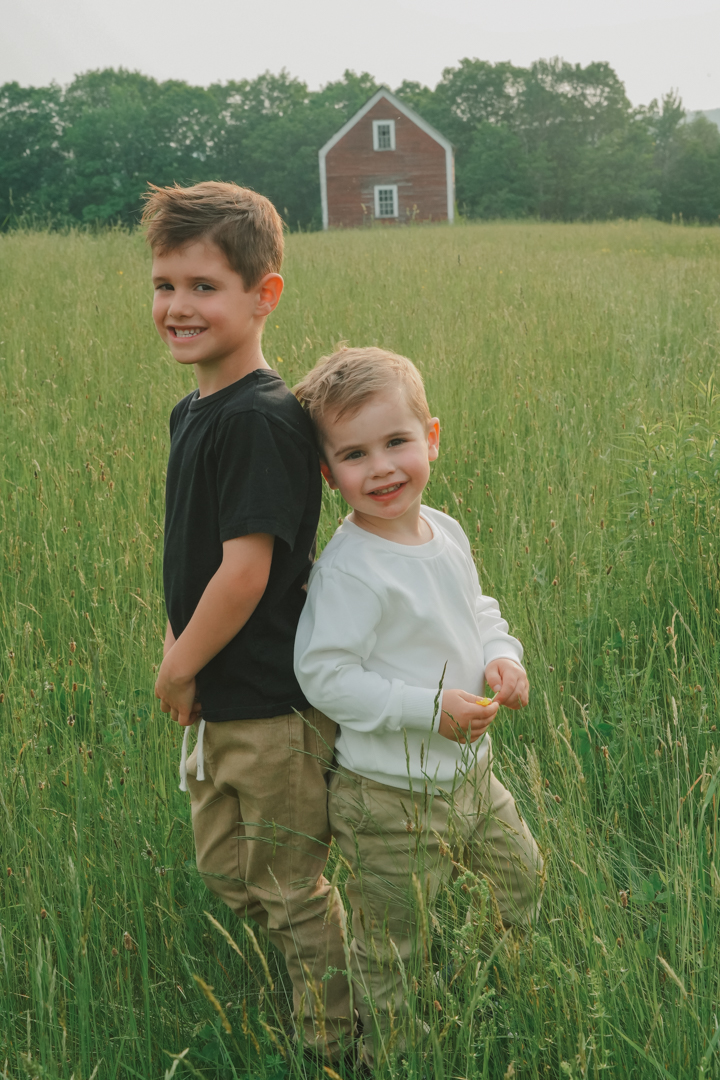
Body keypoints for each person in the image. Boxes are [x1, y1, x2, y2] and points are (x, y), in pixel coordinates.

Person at [143, 182, 351, 1062]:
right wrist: (179, 648)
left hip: (270, 701)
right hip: (221, 696)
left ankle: (338, 1041)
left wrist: (178, 667)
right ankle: (322, 977)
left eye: (204, 286)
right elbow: (192, 560)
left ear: (264, 295)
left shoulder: (262, 419)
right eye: (165, 285)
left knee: (288, 881)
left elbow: (245, 571)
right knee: (229, 869)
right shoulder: (196, 409)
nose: (178, 307)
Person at [293, 346, 543, 1065]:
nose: (380, 468)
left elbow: (478, 609)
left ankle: (497, 993)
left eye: (396, 442)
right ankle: (394, 1054)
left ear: (431, 438)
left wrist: (504, 657)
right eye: (353, 455)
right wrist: (427, 709)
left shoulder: (445, 530)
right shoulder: (350, 570)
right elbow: (323, 675)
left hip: (472, 776)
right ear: (328, 472)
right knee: (393, 943)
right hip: (388, 797)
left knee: (522, 879)